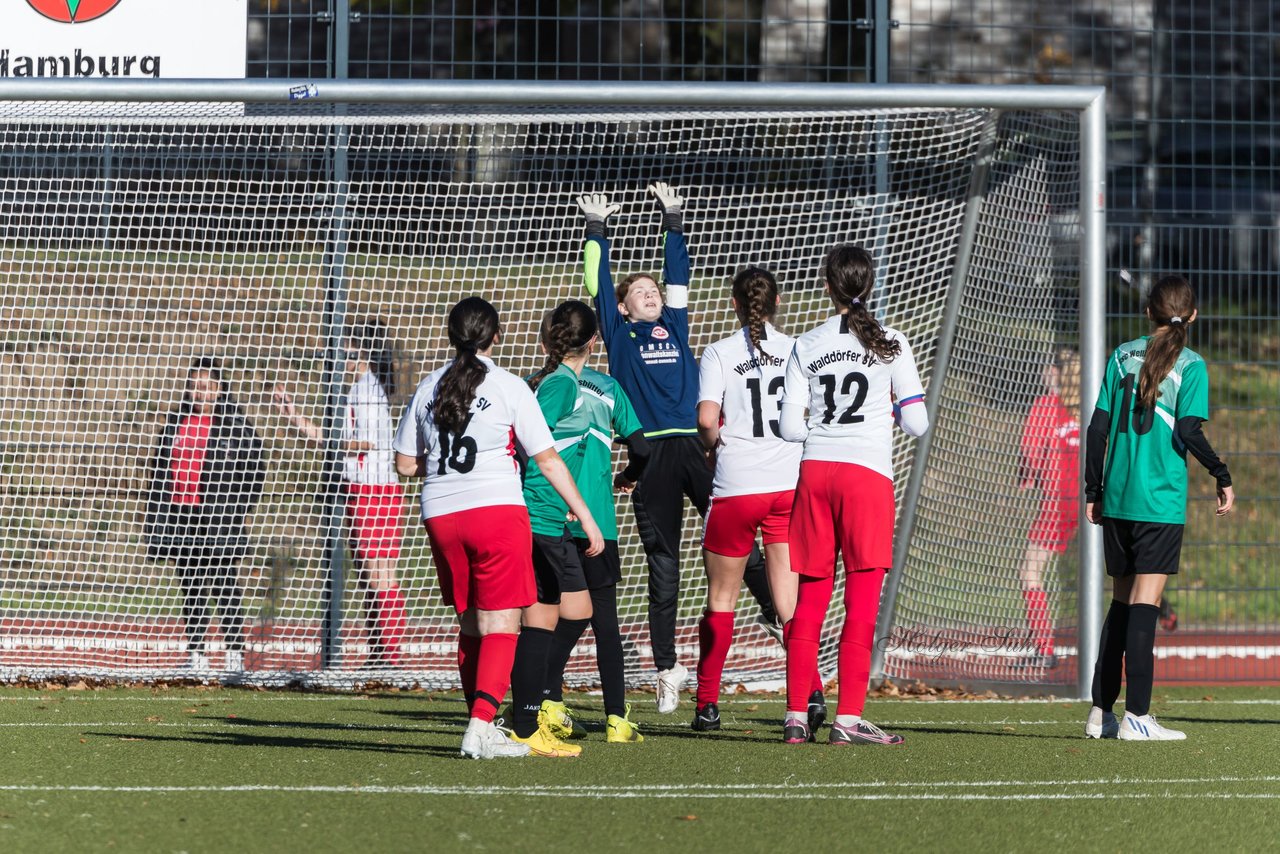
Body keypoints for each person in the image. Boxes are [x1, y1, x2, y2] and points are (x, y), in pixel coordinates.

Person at [577, 183, 778, 715]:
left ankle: (773, 611)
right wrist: (596, 230)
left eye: (655, 291)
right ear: (622, 306)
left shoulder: (676, 323)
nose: (653, 294)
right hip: (655, 457)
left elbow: (679, 276)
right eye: (641, 290)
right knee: (663, 566)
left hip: (696, 448)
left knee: (739, 539)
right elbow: (597, 283)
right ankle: (667, 668)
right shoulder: (618, 335)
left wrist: (674, 219)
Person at [393, 296, 604, 760]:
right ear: (496, 335)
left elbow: (406, 465)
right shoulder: (509, 385)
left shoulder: (428, 385)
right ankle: (481, 727)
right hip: (495, 511)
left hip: (441, 514)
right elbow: (547, 460)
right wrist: (585, 515)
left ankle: (480, 723)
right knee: (502, 623)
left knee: (470, 622)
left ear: (452, 336)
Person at [778, 244, 928, 746]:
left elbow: (787, 425)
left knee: (809, 602)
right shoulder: (891, 341)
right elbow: (917, 422)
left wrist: (822, 433)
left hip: (816, 473)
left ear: (828, 285)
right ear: (870, 283)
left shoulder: (807, 342)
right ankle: (847, 720)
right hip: (866, 478)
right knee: (861, 604)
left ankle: (796, 716)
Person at [1083, 275, 1233, 742]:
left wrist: (1094, 489)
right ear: (1193, 316)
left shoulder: (1122, 355)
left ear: (1148, 313)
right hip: (1159, 501)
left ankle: (1100, 713)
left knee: (1122, 604)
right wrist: (1221, 474)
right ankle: (1138, 717)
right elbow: (1188, 431)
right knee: (1145, 607)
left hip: (1119, 498)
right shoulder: (1191, 365)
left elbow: (1098, 428)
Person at [691, 265, 825, 733]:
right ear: (778, 302)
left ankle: (707, 704)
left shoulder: (720, 352)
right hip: (788, 484)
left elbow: (708, 418)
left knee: (721, 597)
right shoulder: (798, 348)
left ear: (734, 303)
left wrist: (712, 448)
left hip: (737, 486)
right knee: (788, 605)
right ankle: (809, 695)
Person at [535, 306, 651, 744]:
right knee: (604, 622)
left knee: (550, 616)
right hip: (598, 518)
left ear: (549, 340)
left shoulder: (542, 386)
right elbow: (641, 448)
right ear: (595, 342)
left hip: (552, 513)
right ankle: (617, 719)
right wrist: (626, 478)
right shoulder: (607, 387)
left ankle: (545, 700)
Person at [274, 320, 409, 666]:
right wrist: (295, 419)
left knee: (381, 575)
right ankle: (379, 654)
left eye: (345, 346)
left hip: (375, 490)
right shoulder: (356, 387)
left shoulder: (367, 389)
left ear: (362, 351)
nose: (338, 353)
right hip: (357, 489)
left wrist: (319, 436)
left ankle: (391, 657)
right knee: (368, 576)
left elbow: (366, 441)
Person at [145, 357, 265, 677]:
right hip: (183, 515)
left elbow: (255, 470)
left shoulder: (235, 425)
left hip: (220, 518)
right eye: (195, 386)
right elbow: (158, 470)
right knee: (192, 585)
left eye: (207, 386)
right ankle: (197, 653)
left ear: (219, 389)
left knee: (224, 585)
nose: (200, 393)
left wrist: (240, 509)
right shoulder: (175, 422)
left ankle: (234, 655)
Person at [1015, 346, 1081, 671]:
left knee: (1029, 574)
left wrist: (1025, 478)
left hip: (1055, 504)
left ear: (1056, 373)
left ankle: (1044, 647)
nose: (1043, 373)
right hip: (1086, 501)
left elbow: (1029, 453)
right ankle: (1162, 607)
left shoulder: (1045, 406)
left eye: (1047, 368)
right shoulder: (1085, 408)